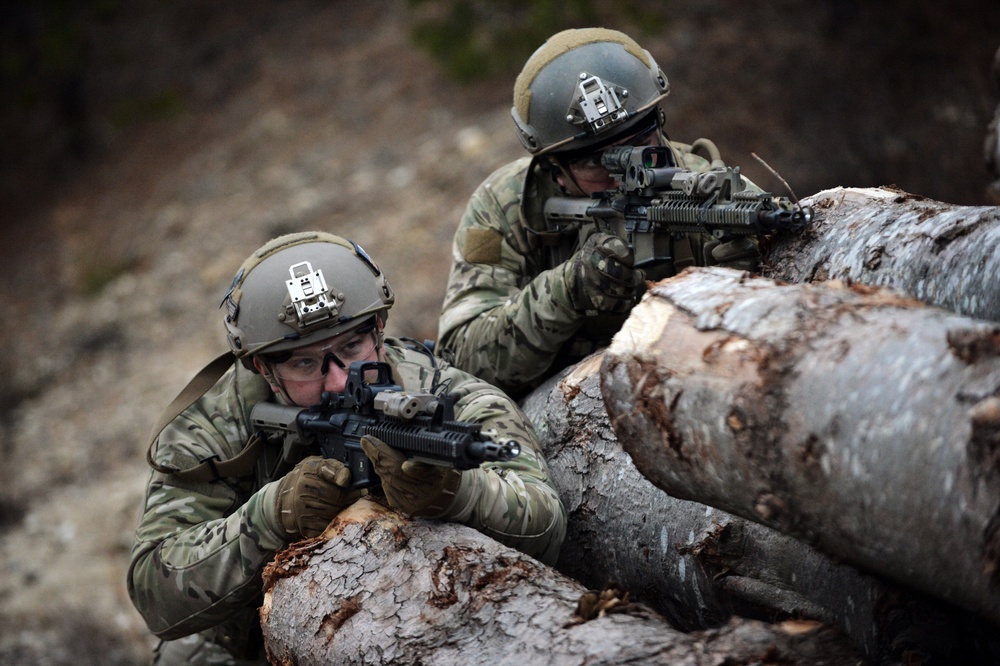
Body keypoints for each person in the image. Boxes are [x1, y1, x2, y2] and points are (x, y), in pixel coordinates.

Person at [128, 231, 567, 665]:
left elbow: (547, 524)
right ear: (263, 367)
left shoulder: (436, 391)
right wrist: (268, 517)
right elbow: (154, 591)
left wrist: (459, 492)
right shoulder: (212, 428)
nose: (338, 379)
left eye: (351, 347)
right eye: (305, 362)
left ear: (378, 330)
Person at [437, 27, 762, 398]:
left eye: (642, 143)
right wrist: (566, 292)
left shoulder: (708, 192)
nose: (627, 172)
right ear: (555, 170)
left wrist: (748, 282)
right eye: (598, 162)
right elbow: (460, 361)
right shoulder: (508, 206)